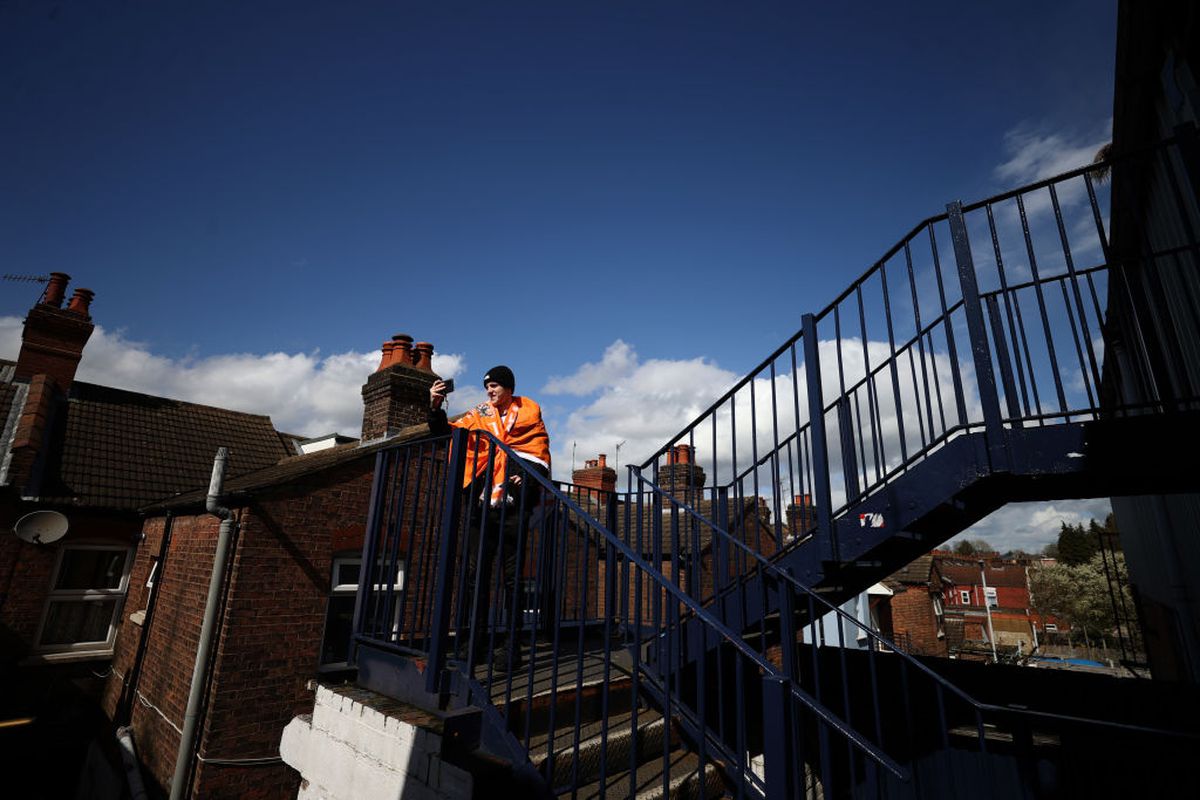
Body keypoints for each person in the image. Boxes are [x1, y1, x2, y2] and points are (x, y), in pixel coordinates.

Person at [429, 365, 551, 674]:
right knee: (476, 575)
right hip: (481, 505)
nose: (489, 391)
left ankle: (511, 649)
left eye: (495, 385)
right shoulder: (480, 414)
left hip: (513, 508)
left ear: (509, 388)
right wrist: (434, 404)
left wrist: (527, 477)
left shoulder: (529, 412)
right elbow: (446, 432)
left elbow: (538, 454)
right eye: (487, 386)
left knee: (512, 580)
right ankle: (476, 643)